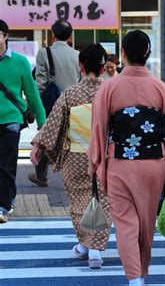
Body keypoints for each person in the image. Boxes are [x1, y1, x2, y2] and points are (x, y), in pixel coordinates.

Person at [88, 30, 165, 286]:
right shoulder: (160, 88)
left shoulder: (109, 88)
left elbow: (99, 128)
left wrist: (96, 160)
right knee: (146, 223)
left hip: (119, 164)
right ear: (147, 54)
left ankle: (135, 278)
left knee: (125, 222)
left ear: (123, 54)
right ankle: (142, 272)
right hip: (153, 163)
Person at [30, 44, 112, 269]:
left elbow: (54, 123)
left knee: (79, 201)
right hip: (106, 155)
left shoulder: (71, 93)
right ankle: (92, 248)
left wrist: (38, 145)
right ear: (104, 69)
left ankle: (86, 245)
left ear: (81, 67)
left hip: (77, 154)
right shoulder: (112, 92)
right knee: (103, 199)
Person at [0, 20, 46, 223]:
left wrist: (43, 124)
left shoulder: (20, 62)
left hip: (11, 120)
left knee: (6, 166)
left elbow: (32, 95)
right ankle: (8, 197)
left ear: (5, 36)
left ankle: (4, 206)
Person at [29, 19, 81, 187]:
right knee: (70, 140)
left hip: (51, 104)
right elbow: (79, 81)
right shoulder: (78, 55)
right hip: (73, 104)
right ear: (70, 35)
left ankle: (42, 176)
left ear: (53, 35)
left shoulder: (45, 53)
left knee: (45, 139)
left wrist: (33, 105)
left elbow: (40, 83)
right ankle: (73, 177)